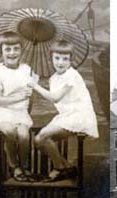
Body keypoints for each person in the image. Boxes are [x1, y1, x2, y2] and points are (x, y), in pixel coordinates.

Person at [28, 40, 99, 182]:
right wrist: (33, 81)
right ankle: (67, 167)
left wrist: (35, 86)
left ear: (71, 60)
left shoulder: (72, 75)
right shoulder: (54, 78)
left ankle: (60, 168)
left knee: (41, 138)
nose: (60, 62)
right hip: (66, 115)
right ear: (51, 58)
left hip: (79, 115)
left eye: (65, 59)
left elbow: (55, 97)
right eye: (57, 58)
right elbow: (54, 97)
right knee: (38, 141)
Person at [0, 31, 34, 182]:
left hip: (19, 111)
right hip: (0, 111)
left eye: (16, 49)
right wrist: (21, 96)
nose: (12, 53)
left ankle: (25, 165)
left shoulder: (27, 70)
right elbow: (0, 100)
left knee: (24, 135)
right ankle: (14, 165)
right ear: (1, 51)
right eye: (7, 49)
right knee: (10, 131)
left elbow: (30, 99)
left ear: (21, 50)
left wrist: (27, 101)